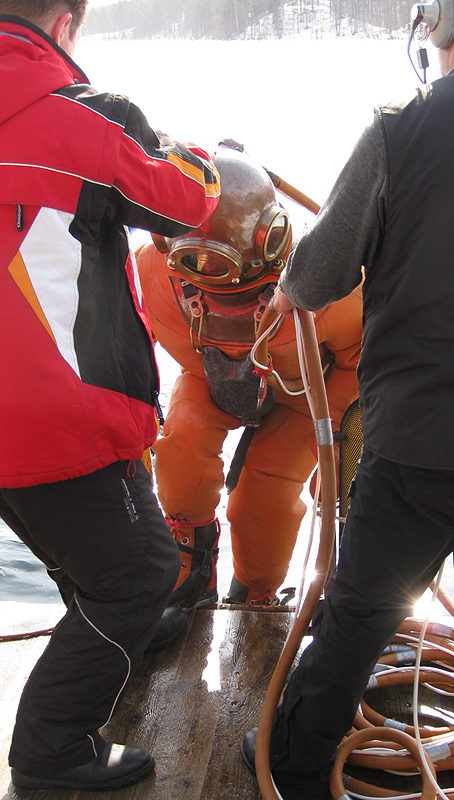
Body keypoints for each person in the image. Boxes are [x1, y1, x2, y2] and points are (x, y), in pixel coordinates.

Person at [239, 1, 454, 798]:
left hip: (423, 443)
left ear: (440, 24)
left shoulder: (400, 129)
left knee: (356, 621)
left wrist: (286, 291)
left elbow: (319, 279)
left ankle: (288, 776)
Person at [0, 0, 220, 790]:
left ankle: (114, 628)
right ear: (65, 23)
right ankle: (50, 751)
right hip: (52, 412)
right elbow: (186, 200)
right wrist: (194, 153)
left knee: (93, 555)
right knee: (139, 572)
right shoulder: (90, 120)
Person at [136, 142, 362, 606]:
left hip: (301, 396)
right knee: (180, 451)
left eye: (221, 266)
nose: (207, 279)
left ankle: (254, 594)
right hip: (207, 379)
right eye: (194, 266)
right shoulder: (153, 272)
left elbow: (360, 359)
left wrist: (341, 441)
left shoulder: (328, 284)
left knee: (265, 502)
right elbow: (131, 343)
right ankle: (190, 573)